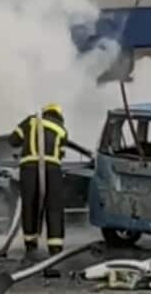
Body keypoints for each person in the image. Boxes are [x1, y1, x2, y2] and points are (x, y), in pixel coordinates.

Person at [9, 104, 92, 256]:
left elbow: (13, 140)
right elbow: (60, 154)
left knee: (30, 206)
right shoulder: (61, 130)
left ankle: (31, 245)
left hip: (29, 169)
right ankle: (55, 248)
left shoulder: (31, 121)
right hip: (53, 171)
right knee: (54, 208)